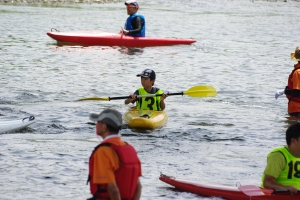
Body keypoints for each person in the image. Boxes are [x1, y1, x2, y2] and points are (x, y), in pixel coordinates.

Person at [87, 108, 142, 200]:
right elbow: (138, 187)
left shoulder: (103, 151)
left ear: (104, 127)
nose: (96, 126)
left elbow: (113, 189)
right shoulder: (130, 149)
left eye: (98, 123)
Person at [261, 122, 300, 195]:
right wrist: (286, 188)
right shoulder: (278, 156)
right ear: (293, 141)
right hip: (276, 195)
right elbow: (267, 183)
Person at [275, 46, 300, 116]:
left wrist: (284, 91)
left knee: (293, 125)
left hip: (296, 109)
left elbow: (297, 92)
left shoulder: (297, 72)